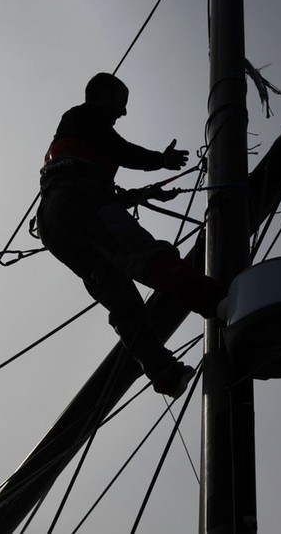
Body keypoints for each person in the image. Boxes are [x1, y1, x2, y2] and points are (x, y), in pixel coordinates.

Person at [37, 72, 223, 397]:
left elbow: (98, 186)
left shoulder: (77, 139)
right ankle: (217, 301)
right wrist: (160, 161)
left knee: (120, 297)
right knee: (143, 255)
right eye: (121, 103)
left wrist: (145, 194)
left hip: (57, 223)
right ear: (102, 95)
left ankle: (164, 373)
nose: (123, 113)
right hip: (78, 201)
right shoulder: (83, 117)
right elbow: (121, 151)